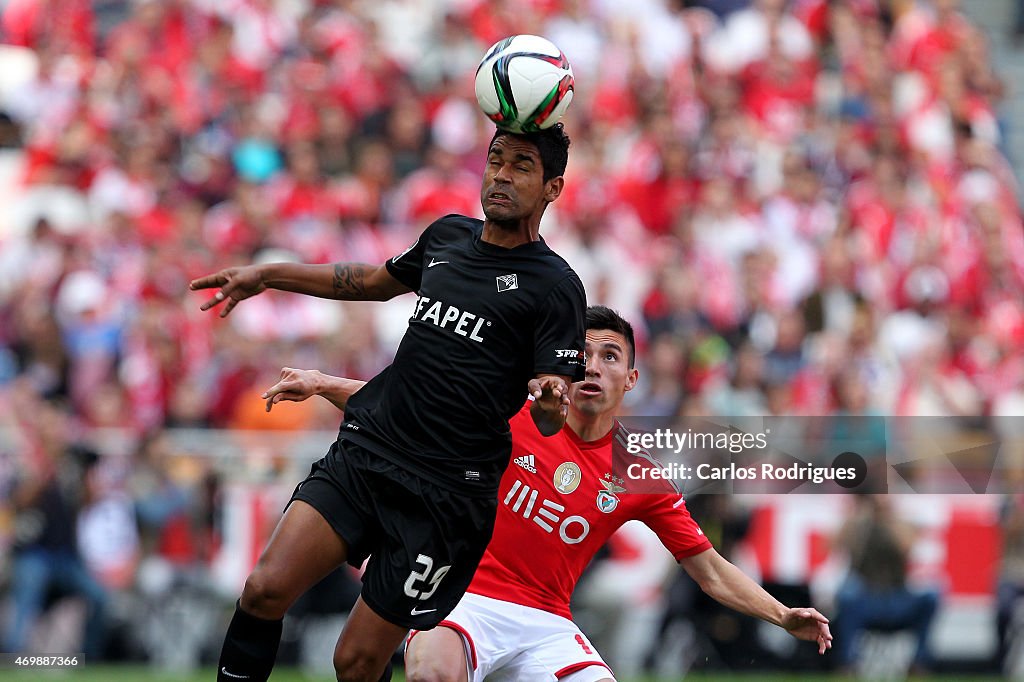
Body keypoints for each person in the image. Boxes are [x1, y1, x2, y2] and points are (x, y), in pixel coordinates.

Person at [190, 124, 587, 682]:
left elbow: (549, 416)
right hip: (368, 449)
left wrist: (549, 399)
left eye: (521, 165)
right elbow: (367, 281)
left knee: (354, 663)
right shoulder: (447, 236)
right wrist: (268, 274)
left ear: (553, 187)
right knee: (262, 590)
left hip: (446, 495)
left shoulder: (556, 286)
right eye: (495, 160)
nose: (501, 175)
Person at [262, 306, 832, 681]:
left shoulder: (640, 477)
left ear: (631, 378)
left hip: (547, 622)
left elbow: (709, 570)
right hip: (461, 598)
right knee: (433, 673)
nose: (594, 365)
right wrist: (321, 383)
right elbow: (407, 408)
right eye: (584, 352)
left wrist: (782, 615)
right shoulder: (511, 414)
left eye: (611, 355)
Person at [833, 494, 939, 674]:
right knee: (846, 594)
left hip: (898, 597)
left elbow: (906, 546)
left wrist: (888, 519)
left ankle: (919, 662)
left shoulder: (901, 523)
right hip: (866, 597)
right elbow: (833, 544)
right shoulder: (859, 524)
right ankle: (848, 662)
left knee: (931, 595)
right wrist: (859, 518)